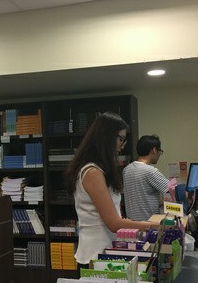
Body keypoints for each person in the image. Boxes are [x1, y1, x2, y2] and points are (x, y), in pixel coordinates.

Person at [65, 112, 161, 268]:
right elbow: (113, 223)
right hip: (95, 257)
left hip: (105, 252)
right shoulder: (92, 173)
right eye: (120, 139)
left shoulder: (99, 170)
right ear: (107, 138)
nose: (122, 145)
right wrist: (153, 225)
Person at [123, 134, 170, 221]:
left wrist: (159, 202)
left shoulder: (127, 169)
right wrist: (191, 195)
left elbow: (139, 197)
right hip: (148, 223)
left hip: (132, 224)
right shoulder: (150, 171)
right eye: (160, 151)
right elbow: (173, 189)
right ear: (154, 150)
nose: (160, 154)